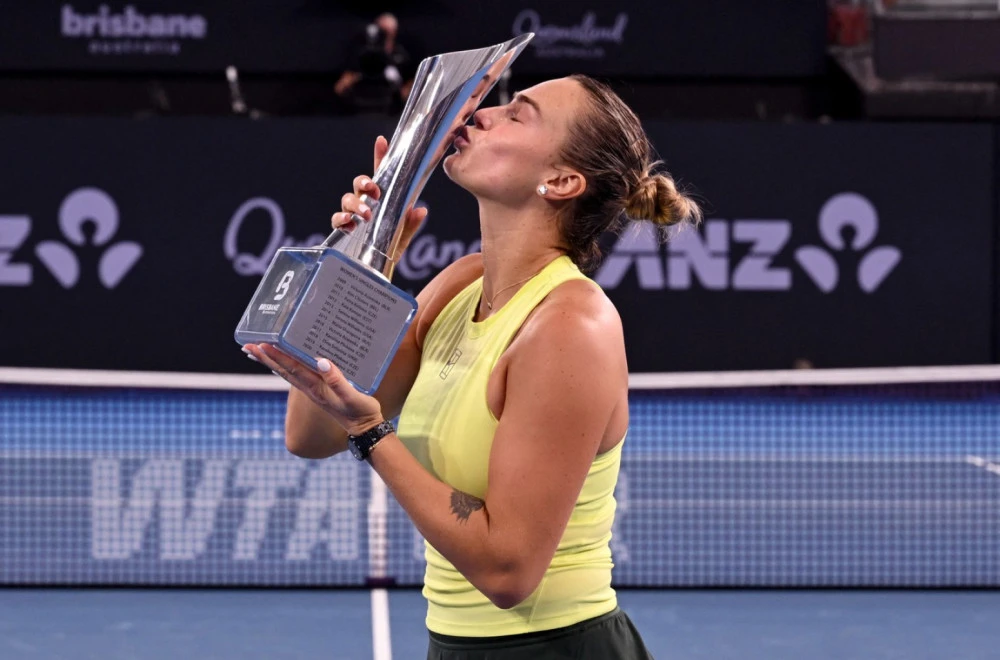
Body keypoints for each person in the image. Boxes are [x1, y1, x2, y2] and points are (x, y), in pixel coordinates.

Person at [244, 74, 701, 658]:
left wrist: (371, 432)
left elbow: (508, 572)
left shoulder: (570, 325)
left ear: (561, 181)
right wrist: (368, 255)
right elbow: (311, 434)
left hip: (555, 649)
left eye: (518, 114)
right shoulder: (460, 285)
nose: (482, 114)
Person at [334, 13, 416, 115]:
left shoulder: (402, 55)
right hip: (361, 106)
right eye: (381, 30)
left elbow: (412, 81)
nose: (384, 35)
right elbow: (340, 87)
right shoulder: (360, 55)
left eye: (386, 31)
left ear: (394, 32)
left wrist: (404, 92)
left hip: (392, 108)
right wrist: (352, 79)